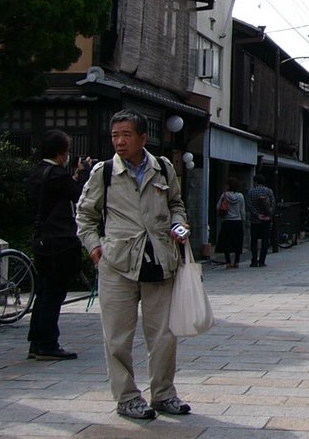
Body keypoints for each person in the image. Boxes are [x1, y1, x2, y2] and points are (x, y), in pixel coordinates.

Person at [76, 110, 191, 420]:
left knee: (164, 335)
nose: (119, 141)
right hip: (117, 264)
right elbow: (85, 215)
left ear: (143, 138)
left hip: (159, 261)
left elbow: (176, 205)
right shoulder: (103, 173)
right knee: (117, 337)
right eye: (115, 135)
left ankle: (163, 394)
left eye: (126, 135)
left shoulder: (164, 169)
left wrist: (179, 225)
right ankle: (127, 397)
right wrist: (94, 248)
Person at [26, 130, 86, 361]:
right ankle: (47, 343)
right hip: (58, 241)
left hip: (41, 238)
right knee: (53, 293)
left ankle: (36, 340)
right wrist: (81, 175)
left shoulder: (38, 172)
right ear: (61, 153)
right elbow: (80, 196)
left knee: (43, 292)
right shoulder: (58, 175)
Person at [245, 175, 275, 268]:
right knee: (265, 241)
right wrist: (269, 214)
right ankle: (262, 261)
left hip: (255, 220)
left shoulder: (251, 192)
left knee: (254, 241)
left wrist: (257, 214)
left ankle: (254, 260)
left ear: (256, 182)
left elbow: (249, 205)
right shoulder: (269, 191)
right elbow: (273, 204)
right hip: (266, 219)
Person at [215, 178, 245, 268]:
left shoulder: (225, 195)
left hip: (227, 221)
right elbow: (242, 210)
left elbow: (218, 206)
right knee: (237, 242)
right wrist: (243, 219)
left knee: (226, 242)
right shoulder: (241, 196)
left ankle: (228, 262)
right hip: (237, 221)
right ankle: (237, 262)